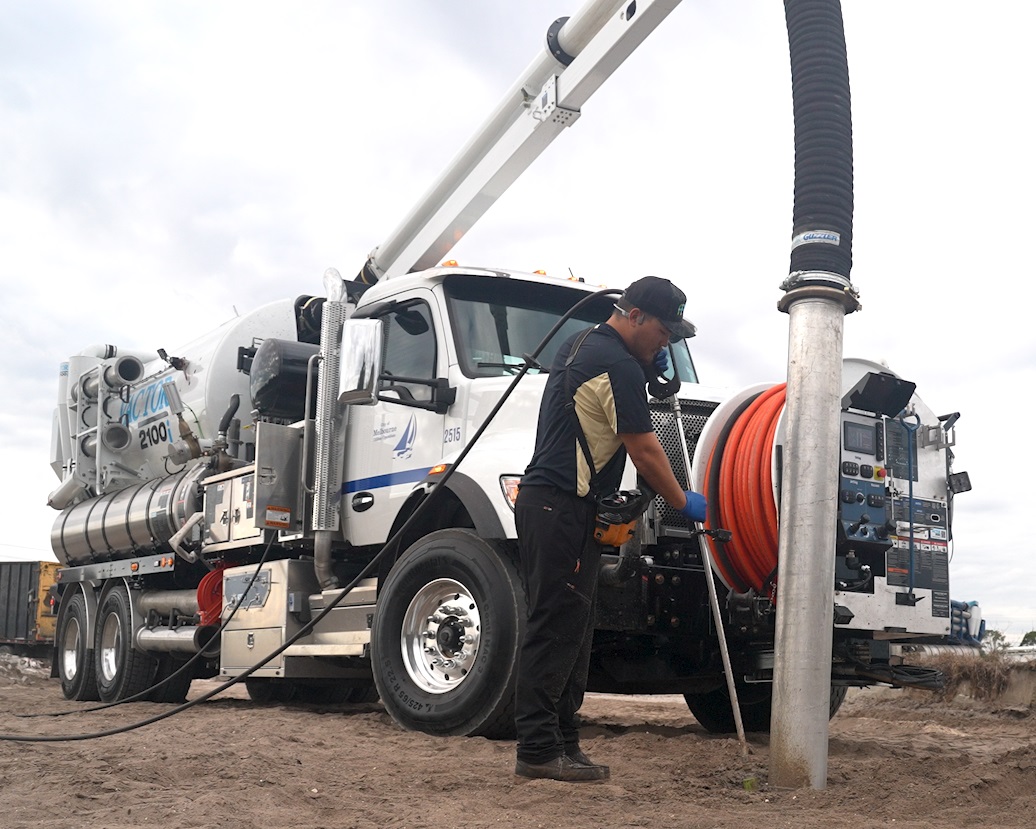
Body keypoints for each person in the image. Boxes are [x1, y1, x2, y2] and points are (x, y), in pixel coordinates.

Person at [513, 275, 708, 782]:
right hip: (559, 505)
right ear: (635, 315)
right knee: (554, 627)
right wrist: (681, 499)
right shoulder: (615, 362)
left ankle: (563, 742)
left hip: (561, 507)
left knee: (575, 630)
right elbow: (643, 448)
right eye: (664, 331)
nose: (667, 342)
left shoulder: (585, 345)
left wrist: (649, 370)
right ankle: (536, 750)